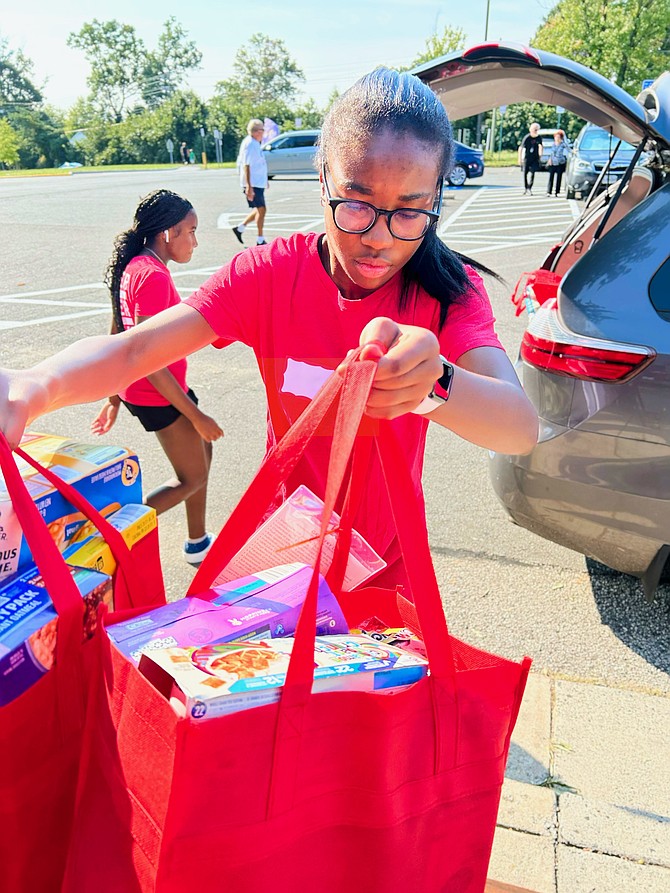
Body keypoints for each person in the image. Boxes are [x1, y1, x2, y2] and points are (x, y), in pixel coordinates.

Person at [0, 68, 538, 593]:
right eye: (356, 204)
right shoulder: (269, 276)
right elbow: (134, 350)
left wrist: (436, 383)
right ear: (322, 178)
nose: (379, 238)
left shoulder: (448, 292)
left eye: (410, 210)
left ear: (435, 200)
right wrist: (35, 385)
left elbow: (517, 427)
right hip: (281, 561)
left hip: (385, 569)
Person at [90, 189, 223, 565]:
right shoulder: (152, 277)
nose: (195, 241)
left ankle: (198, 541)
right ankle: (107, 535)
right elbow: (149, 359)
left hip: (149, 388)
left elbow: (119, 331)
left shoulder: (135, 265)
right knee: (191, 477)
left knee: (203, 449)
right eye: (191, 231)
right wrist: (196, 415)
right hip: (156, 392)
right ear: (168, 233)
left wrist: (113, 397)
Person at [232, 119, 269, 247]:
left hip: (258, 182)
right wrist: (249, 186)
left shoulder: (255, 143)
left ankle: (240, 228)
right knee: (262, 209)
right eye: (262, 130)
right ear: (256, 131)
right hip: (253, 183)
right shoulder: (250, 144)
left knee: (259, 209)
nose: (263, 132)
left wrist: (265, 181)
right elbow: (246, 166)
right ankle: (260, 239)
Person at [518, 122, 543, 195]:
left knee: (533, 172)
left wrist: (540, 154)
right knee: (525, 173)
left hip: (535, 158)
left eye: (537, 129)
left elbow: (540, 146)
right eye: (534, 129)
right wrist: (519, 159)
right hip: (527, 158)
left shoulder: (538, 138)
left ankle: (530, 187)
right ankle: (526, 188)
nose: (535, 131)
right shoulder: (527, 137)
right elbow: (521, 148)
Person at [546, 130, 570, 197]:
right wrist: (549, 160)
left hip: (560, 163)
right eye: (556, 137)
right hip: (553, 162)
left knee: (559, 177)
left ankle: (557, 192)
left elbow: (568, 151)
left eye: (558, 137)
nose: (557, 138)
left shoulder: (563, 145)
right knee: (551, 177)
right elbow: (551, 153)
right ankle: (549, 191)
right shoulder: (553, 144)